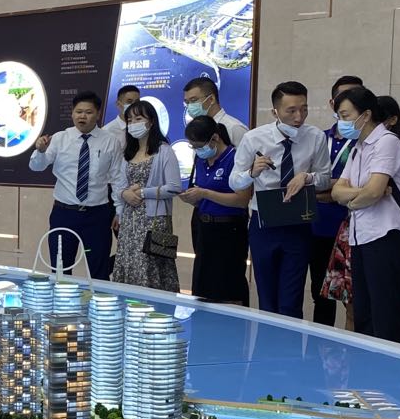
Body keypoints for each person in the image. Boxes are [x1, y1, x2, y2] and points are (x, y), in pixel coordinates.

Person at [231, 81, 332, 317]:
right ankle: (267, 341)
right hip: (264, 222)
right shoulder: (254, 138)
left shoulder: (315, 137)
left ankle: (290, 341)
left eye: (304, 109)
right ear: (275, 111)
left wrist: (307, 177)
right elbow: (234, 182)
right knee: (267, 299)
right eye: (291, 110)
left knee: (291, 301)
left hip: (298, 221)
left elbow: (325, 179)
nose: (299, 117)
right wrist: (251, 173)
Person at [321, 94, 400, 327]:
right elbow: (337, 192)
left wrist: (353, 200)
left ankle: (391, 353)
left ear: (365, 115)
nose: (341, 122)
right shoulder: (358, 147)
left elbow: (375, 192)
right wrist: (360, 194)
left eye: (345, 116)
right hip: (360, 237)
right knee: (363, 313)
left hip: (386, 236)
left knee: (385, 314)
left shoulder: (387, 142)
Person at [29, 91, 122, 278]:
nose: (82, 116)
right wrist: (40, 151)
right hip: (64, 213)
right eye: (78, 112)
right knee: (61, 269)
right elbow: (36, 167)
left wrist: (119, 210)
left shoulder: (110, 141)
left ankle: (99, 297)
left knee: (98, 269)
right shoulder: (59, 139)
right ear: (72, 113)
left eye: (88, 112)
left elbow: (118, 178)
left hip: (97, 215)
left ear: (98, 114)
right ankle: (62, 297)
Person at [309, 75, 365, 326]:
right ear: (332, 103)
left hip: (353, 229)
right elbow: (307, 182)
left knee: (354, 299)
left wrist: (328, 187)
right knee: (321, 294)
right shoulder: (319, 138)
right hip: (317, 226)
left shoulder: (366, 141)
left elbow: (361, 186)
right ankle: (321, 348)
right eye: (344, 97)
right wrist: (336, 188)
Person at [178, 115, 252, 303]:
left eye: (199, 146)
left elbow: (242, 200)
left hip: (229, 230)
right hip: (204, 228)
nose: (197, 150)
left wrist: (205, 193)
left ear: (215, 138)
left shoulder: (235, 158)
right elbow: (202, 195)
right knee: (203, 288)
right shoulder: (201, 160)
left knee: (228, 287)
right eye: (193, 147)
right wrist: (192, 198)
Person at [111, 99, 182, 291]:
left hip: (154, 222)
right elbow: (118, 185)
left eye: (138, 119)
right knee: (129, 266)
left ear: (151, 122)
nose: (133, 124)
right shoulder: (128, 152)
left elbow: (174, 187)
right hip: (130, 222)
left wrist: (143, 192)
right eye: (130, 120)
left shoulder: (164, 151)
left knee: (151, 268)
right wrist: (124, 194)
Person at [182, 76, 249, 145]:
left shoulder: (234, 128)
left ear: (211, 99)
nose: (190, 106)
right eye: (187, 102)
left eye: (193, 100)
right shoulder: (196, 129)